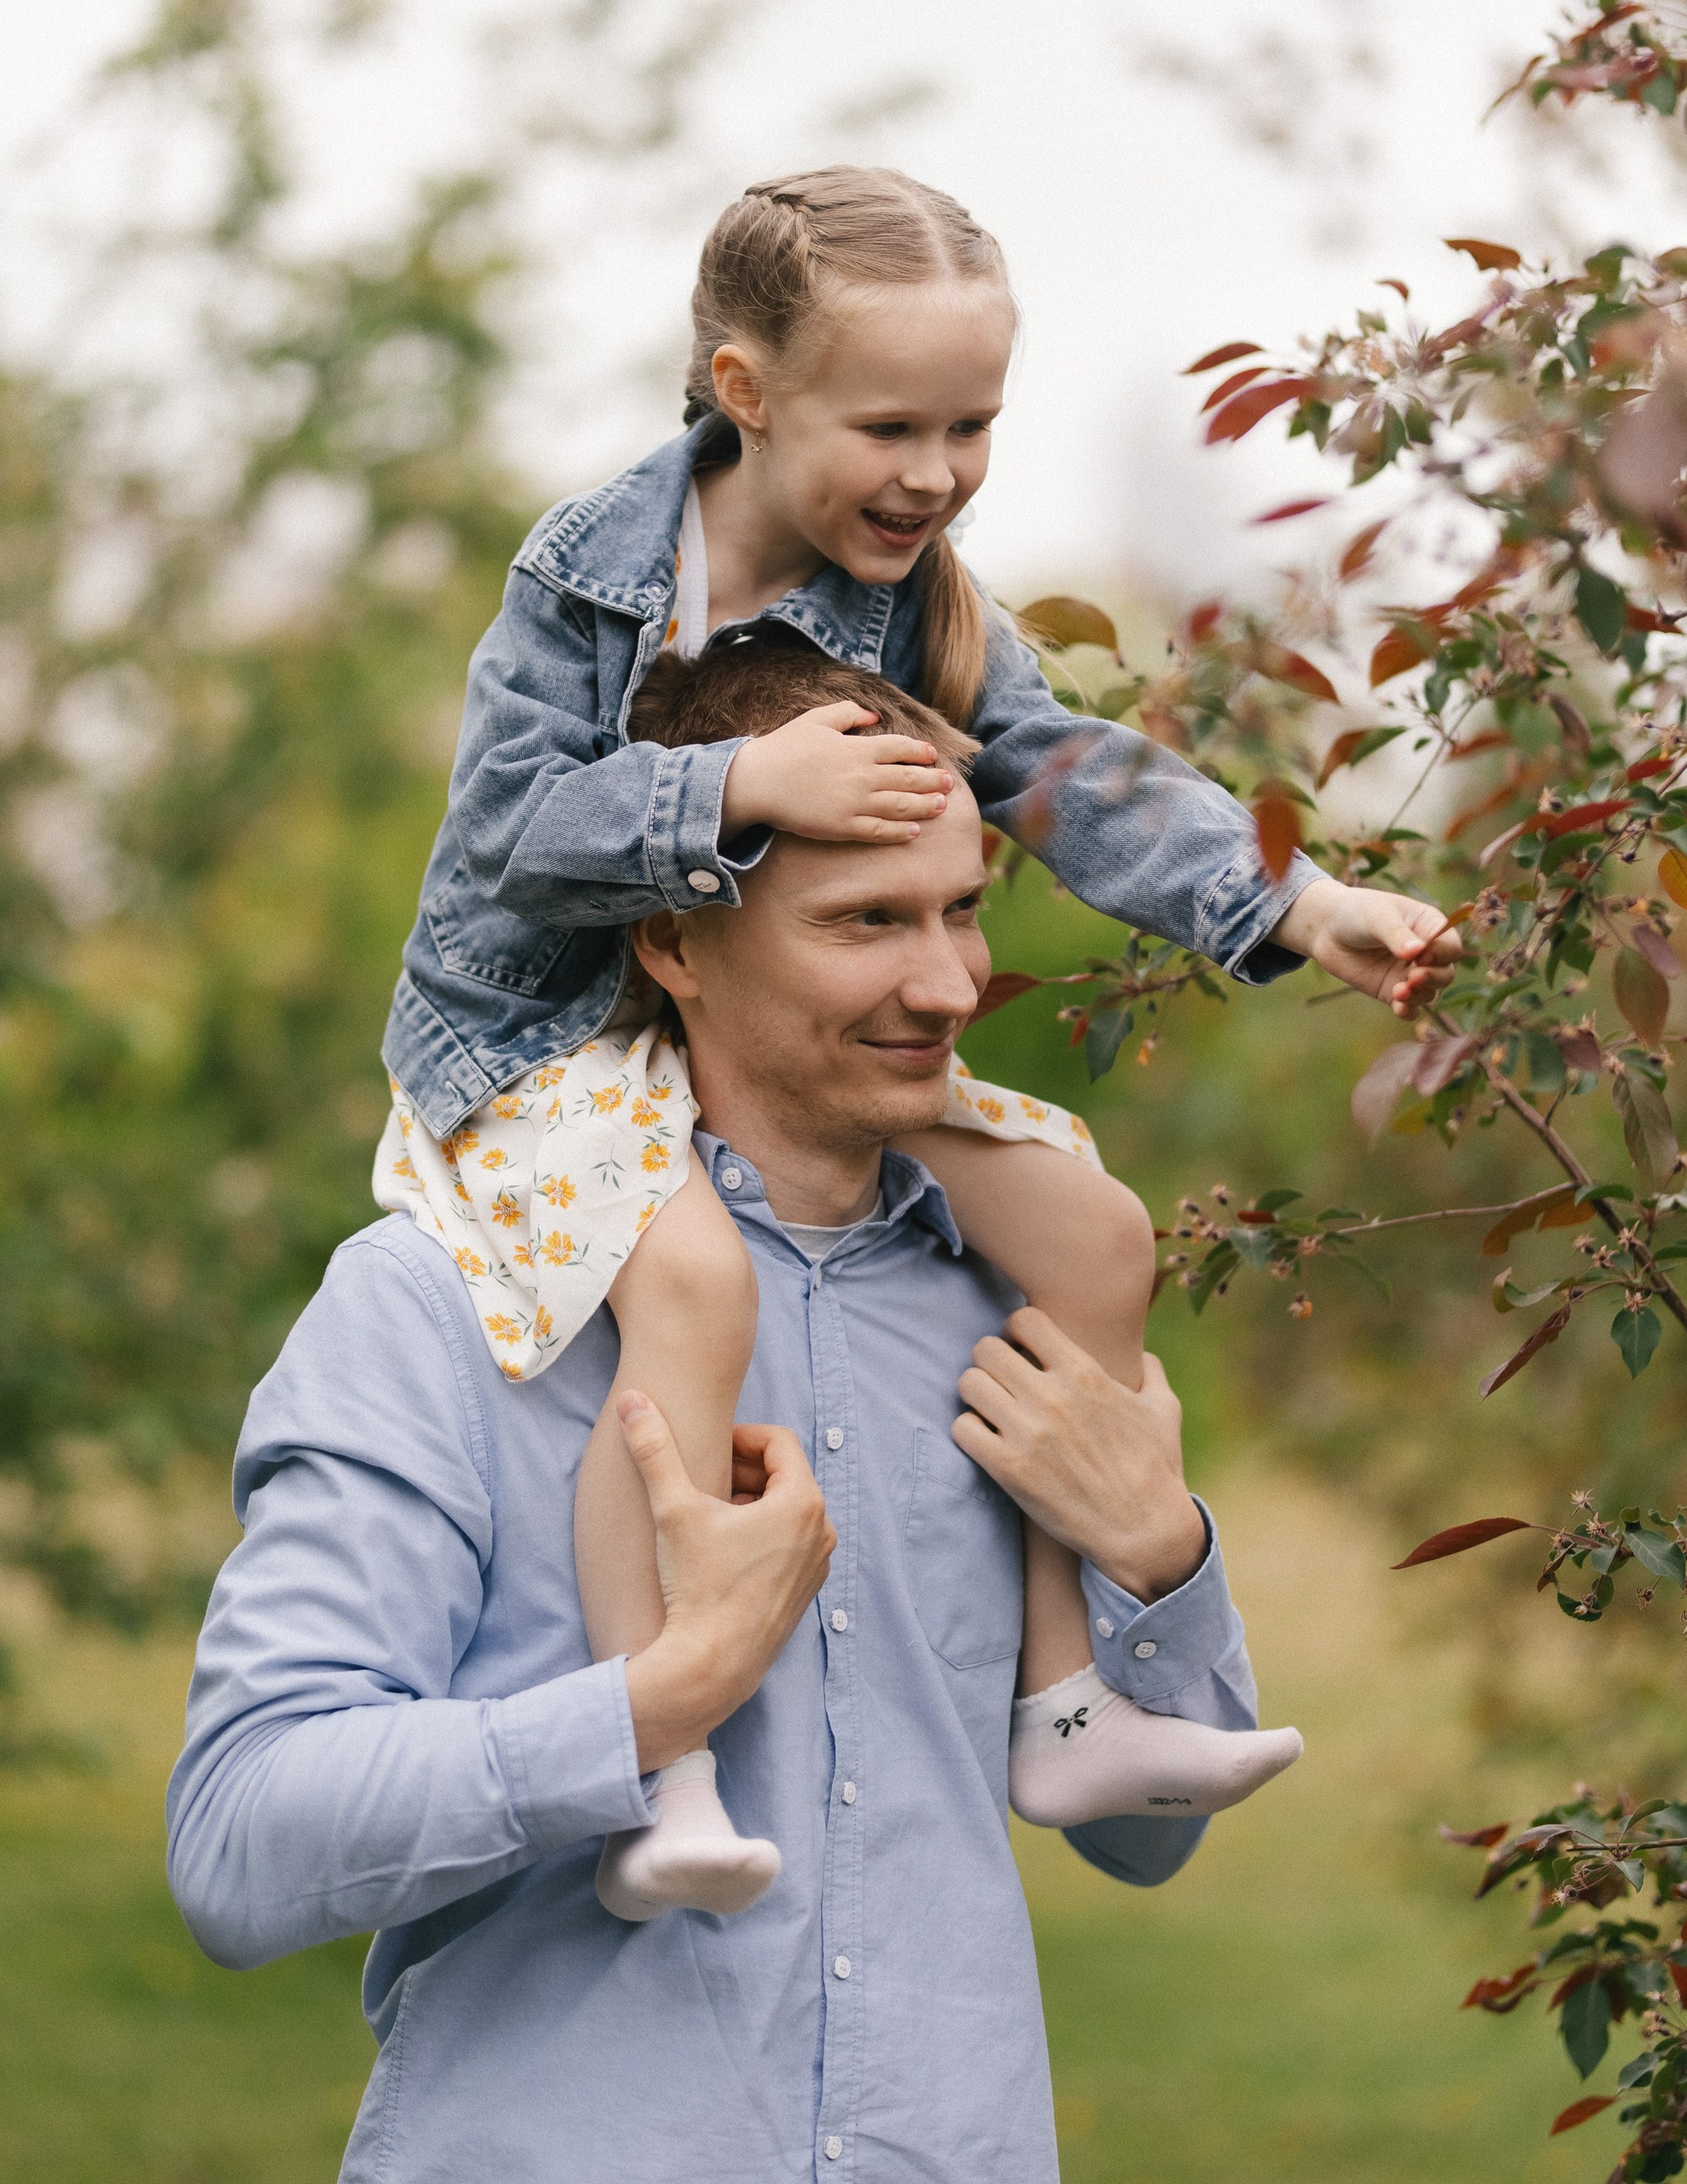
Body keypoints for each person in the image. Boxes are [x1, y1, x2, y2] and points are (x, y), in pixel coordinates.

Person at [375, 164, 1458, 1912]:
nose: (937, 473)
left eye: (974, 426)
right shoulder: (589, 578)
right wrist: (742, 781)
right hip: (543, 1037)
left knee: (1092, 1229)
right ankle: (662, 1765)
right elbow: (508, 832)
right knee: (693, 1284)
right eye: (891, 427)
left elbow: (1064, 767)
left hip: (770, 1041)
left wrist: (1299, 902)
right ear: (746, 391)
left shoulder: (921, 597)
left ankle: (1068, 1705)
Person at [168, 657, 1294, 2184]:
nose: (950, 987)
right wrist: (658, 1702)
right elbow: (238, 1846)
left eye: (961, 910)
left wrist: (1160, 1558)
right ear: (674, 939)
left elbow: (1148, 1835)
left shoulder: (1021, 1301)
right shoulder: (442, 1308)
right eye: (866, 923)